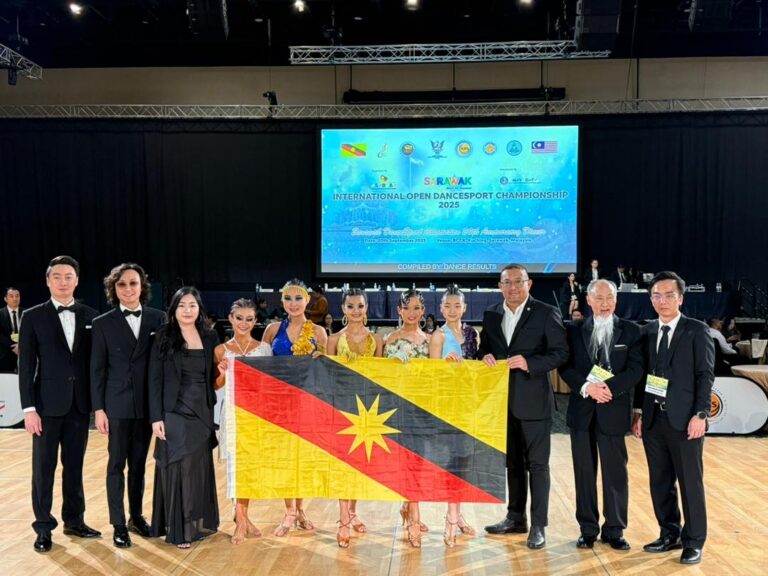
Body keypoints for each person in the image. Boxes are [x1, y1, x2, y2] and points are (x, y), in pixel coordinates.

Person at [480, 264, 568, 549]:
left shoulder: (545, 312)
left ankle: (539, 525)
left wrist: (530, 363)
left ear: (529, 284)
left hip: (534, 403)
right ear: (500, 286)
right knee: (513, 464)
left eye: (519, 281)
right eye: (507, 282)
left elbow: (560, 353)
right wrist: (485, 356)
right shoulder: (491, 314)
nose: (513, 287)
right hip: (502, 402)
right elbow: (484, 348)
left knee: (538, 465)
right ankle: (515, 518)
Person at [18, 255, 100, 553]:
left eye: (68, 277)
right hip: (45, 408)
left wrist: (98, 406)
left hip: (79, 407)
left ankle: (74, 521)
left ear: (76, 281)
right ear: (47, 281)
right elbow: (26, 367)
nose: (63, 282)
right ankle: (43, 527)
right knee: (43, 470)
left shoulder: (92, 316)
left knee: (74, 467)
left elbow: (96, 366)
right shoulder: (32, 316)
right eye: (57, 276)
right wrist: (29, 409)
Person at [632, 271, 714, 565]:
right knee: (660, 482)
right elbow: (643, 377)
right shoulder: (646, 332)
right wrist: (639, 412)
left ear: (680, 298)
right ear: (651, 299)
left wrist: (700, 414)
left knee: (690, 482)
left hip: (686, 421)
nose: (662, 300)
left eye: (669, 295)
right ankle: (670, 534)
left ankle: (694, 541)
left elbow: (705, 375)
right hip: (654, 420)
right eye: (656, 295)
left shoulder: (696, 330)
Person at [558, 279, 643, 550]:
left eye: (610, 298)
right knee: (584, 473)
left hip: (613, 410)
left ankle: (615, 530)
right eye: (599, 298)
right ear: (589, 300)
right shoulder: (572, 330)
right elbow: (565, 366)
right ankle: (588, 529)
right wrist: (587, 387)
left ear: (616, 300)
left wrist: (609, 388)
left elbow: (636, 369)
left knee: (616, 473)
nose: (605, 303)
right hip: (582, 412)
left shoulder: (632, 331)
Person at [90, 263, 164, 549]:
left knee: (139, 466)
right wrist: (99, 409)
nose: (128, 289)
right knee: (116, 465)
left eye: (133, 283)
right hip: (116, 405)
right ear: (114, 288)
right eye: (122, 284)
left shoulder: (158, 319)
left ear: (142, 286)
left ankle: (136, 517)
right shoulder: (102, 323)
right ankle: (118, 524)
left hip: (146, 406)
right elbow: (97, 370)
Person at [149, 287, 220, 548]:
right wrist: (156, 417)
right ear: (173, 309)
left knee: (197, 468)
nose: (187, 310)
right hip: (174, 411)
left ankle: (194, 523)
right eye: (182, 305)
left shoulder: (210, 336)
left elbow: (213, 376)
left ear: (199, 309)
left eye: (192, 305)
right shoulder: (163, 335)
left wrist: (223, 371)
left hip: (201, 411)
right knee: (180, 466)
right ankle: (180, 529)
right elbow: (154, 378)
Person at [262, 278, 328, 536]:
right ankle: (289, 510)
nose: (293, 303)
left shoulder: (319, 333)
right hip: (279, 404)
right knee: (285, 458)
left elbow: (325, 370)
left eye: (298, 298)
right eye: (288, 298)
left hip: (308, 403)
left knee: (303, 459)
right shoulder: (272, 330)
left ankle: (300, 509)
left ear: (307, 300)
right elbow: (261, 366)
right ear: (282, 302)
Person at [326, 288, 383, 548]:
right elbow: (328, 376)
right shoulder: (334, 339)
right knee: (343, 465)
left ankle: (352, 512)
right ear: (343, 309)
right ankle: (343, 520)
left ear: (366, 308)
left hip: (368, 410)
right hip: (342, 408)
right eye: (351, 306)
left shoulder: (377, 340)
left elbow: (381, 377)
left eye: (360, 306)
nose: (356, 311)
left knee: (360, 465)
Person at [213, 298, 272, 545]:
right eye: (239, 318)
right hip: (232, 412)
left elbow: (270, 385)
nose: (244, 323)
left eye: (249, 319)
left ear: (255, 321)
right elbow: (216, 386)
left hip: (257, 415)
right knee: (236, 467)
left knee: (249, 468)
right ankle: (241, 520)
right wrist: (222, 373)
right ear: (231, 319)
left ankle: (242, 517)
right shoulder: (220, 350)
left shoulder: (264, 349)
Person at [428, 284, 479, 548]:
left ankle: (457, 515)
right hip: (447, 405)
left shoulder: (472, 334)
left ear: (464, 307)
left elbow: (476, 369)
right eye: (447, 305)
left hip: (467, 404)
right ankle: (450, 517)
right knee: (451, 462)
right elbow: (431, 374)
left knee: (464, 460)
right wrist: (445, 367)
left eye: (457, 305)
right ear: (440, 308)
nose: (452, 310)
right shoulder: (438, 336)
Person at [383, 289, 431, 548]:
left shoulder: (431, 341)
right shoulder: (389, 340)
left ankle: (409, 506)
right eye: (407, 308)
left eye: (416, 308)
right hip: (396, 409)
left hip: (422, 410)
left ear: (423, 311)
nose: (411, 313)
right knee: (404, 462)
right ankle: (414, 515)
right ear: (399, 310)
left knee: (419, 461)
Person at [0, 286, 23, 373]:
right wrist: (14, 347)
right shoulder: (0, 313)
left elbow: (31, 333)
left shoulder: (27, 313)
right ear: (5, 299)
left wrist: (21, 346)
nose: (15, 298)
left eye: (17, 296)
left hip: (23, 352)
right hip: (4, 355)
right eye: (11, 296)